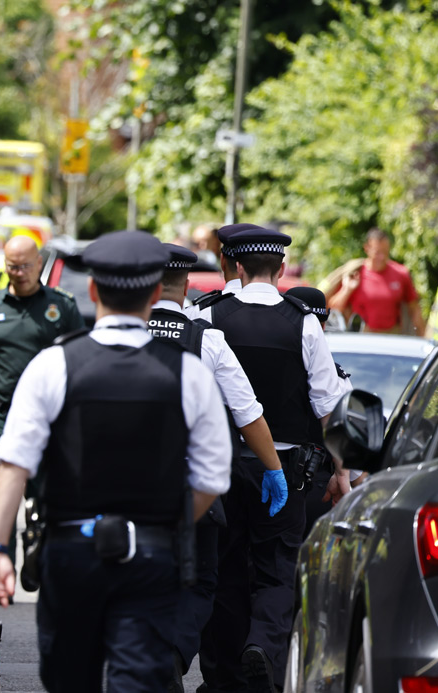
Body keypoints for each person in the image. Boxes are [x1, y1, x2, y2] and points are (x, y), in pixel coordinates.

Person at [0, 230, 232, 692]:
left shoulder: (53, 364)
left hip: (70, 554)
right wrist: (166, 530)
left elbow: (14, 465)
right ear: (156, 293)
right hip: (154, 557)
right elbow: (212, 478)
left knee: (69, 680)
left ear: (93, 291)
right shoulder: (188, 374)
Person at [194, 225, 346, 692]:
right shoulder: (301, 321)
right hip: (284, 468)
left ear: (236, 267)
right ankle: (262, 644)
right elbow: (325, 400)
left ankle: (224, 673)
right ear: (281, 270)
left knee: (225, 564)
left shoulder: (209, 315)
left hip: (221, 466)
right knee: (277, 566)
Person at [152, 244, 290, 691]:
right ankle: (170, 652)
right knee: (199, 581)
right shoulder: (205, 337)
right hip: (193, 489)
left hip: (126, 485)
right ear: (187, 285)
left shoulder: (120, 332)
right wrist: (273, 468)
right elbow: (247, 413)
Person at [0, 234, 83, 567]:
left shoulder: (63, 307)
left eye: (25, 265)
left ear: (39, 263)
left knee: (47, 495)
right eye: (12, 266)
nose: (19, 272)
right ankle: (0, 566)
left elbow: (81, 361)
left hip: (49, 421)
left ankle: (39, 557)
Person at [287, 285, 363, 528]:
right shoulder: (336, 377)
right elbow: (352, 448)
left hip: (262, 476)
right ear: (322, 326)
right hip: (317, 486)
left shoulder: (268, 366)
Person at [326, 228, 424, 335]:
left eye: (385, 252)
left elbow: (414, 309)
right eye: (377, 252)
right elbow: (333, 309)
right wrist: (347, 290)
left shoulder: (400, 273)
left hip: (392, 335)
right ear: (367, 248)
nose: (382, 257)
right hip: (362, 336)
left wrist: (422, 336)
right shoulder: (356, 273)